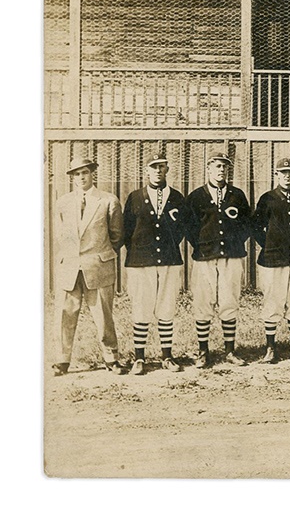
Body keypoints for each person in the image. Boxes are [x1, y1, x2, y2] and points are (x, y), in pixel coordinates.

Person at [51, 157, 126, 376]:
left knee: (103, 315)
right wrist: (69, 256)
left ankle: (111, 358)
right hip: (70, 267)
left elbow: (117, 235)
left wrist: (99, 253)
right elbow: (60, 234)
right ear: (72, 178)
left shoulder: (108, 200)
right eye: (76, 174)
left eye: (84, 172)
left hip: (98, 266)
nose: (81, 177)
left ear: (92, 174)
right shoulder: (63, 202)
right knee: (65, 313)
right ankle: (62, 360)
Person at [184, 151, 252, 368]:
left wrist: (234, 243)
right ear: (208, 169)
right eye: (217, 166)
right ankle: (203, 351)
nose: (221, 170)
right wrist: (204, 245)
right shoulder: (196, 197)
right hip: (205, 257)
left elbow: (246, 224)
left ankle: (230, 351)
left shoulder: (237, 195)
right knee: (203, 302)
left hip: (231, 256)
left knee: (229, 300)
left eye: (224, 166)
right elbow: (189, 227)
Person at [122, 152, 185, 374]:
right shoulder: (135, 197)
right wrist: (140, 252)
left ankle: (167, 356)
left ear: (167, 169)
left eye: (162, 166)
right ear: (146, 171)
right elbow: (127, 230)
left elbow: (181, 230)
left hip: (169, 259)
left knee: (166, 306)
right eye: (153, 167)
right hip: (141, 261)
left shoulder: (177, 197)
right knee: (141, 306)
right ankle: (139, 358)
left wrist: (166, 248)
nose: (158, 171)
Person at [251, 158, 290, 364]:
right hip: (272, 259)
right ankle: (270, 348)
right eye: (282, 172)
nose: (287, 176)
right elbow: (256, 227)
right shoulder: (267, 198)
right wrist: (270, 245)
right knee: (273, 302)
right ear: (276, 175)